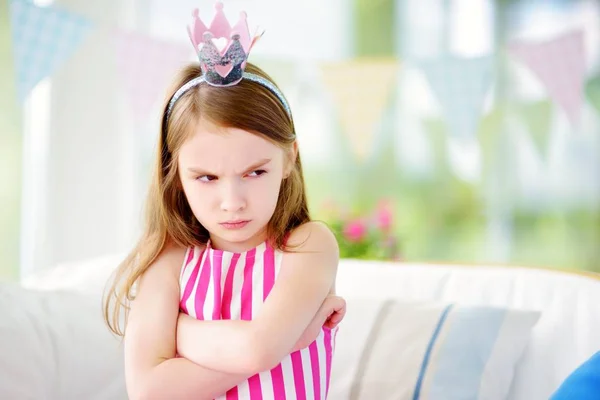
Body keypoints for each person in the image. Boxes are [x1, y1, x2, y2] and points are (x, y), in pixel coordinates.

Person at [103, 2, 346, 399]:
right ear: (176, 175)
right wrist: (286, 341)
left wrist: (180, 333)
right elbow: (148, 390)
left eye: (255, 172)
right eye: (206, 178)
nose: (232, 202)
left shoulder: (309, 246)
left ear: (289, 158)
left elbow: (258, 348)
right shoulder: (170, 257)